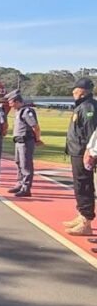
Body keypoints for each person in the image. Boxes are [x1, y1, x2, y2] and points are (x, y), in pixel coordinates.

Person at [62, 78, 97, 235]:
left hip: (83, 153)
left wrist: (89, 153)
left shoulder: (88, 107)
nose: (72, 92)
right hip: (76, 152)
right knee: (79, 184)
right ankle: (81, 214)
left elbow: (91, 133)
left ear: (83, 91)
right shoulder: (82, 106)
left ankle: (86, 221)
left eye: (75, 89)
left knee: (84, 185)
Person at [5, 89, 43, 197]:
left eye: (11, 102)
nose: (10, 105)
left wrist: (37, 139)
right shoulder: (18, 111)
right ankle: (20, 184)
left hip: (26, 141)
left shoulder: (27, 111)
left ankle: (26, 188)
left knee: (26, 165)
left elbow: (35, 127)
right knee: (19, 163)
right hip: (18, 142)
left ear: (17, 101)